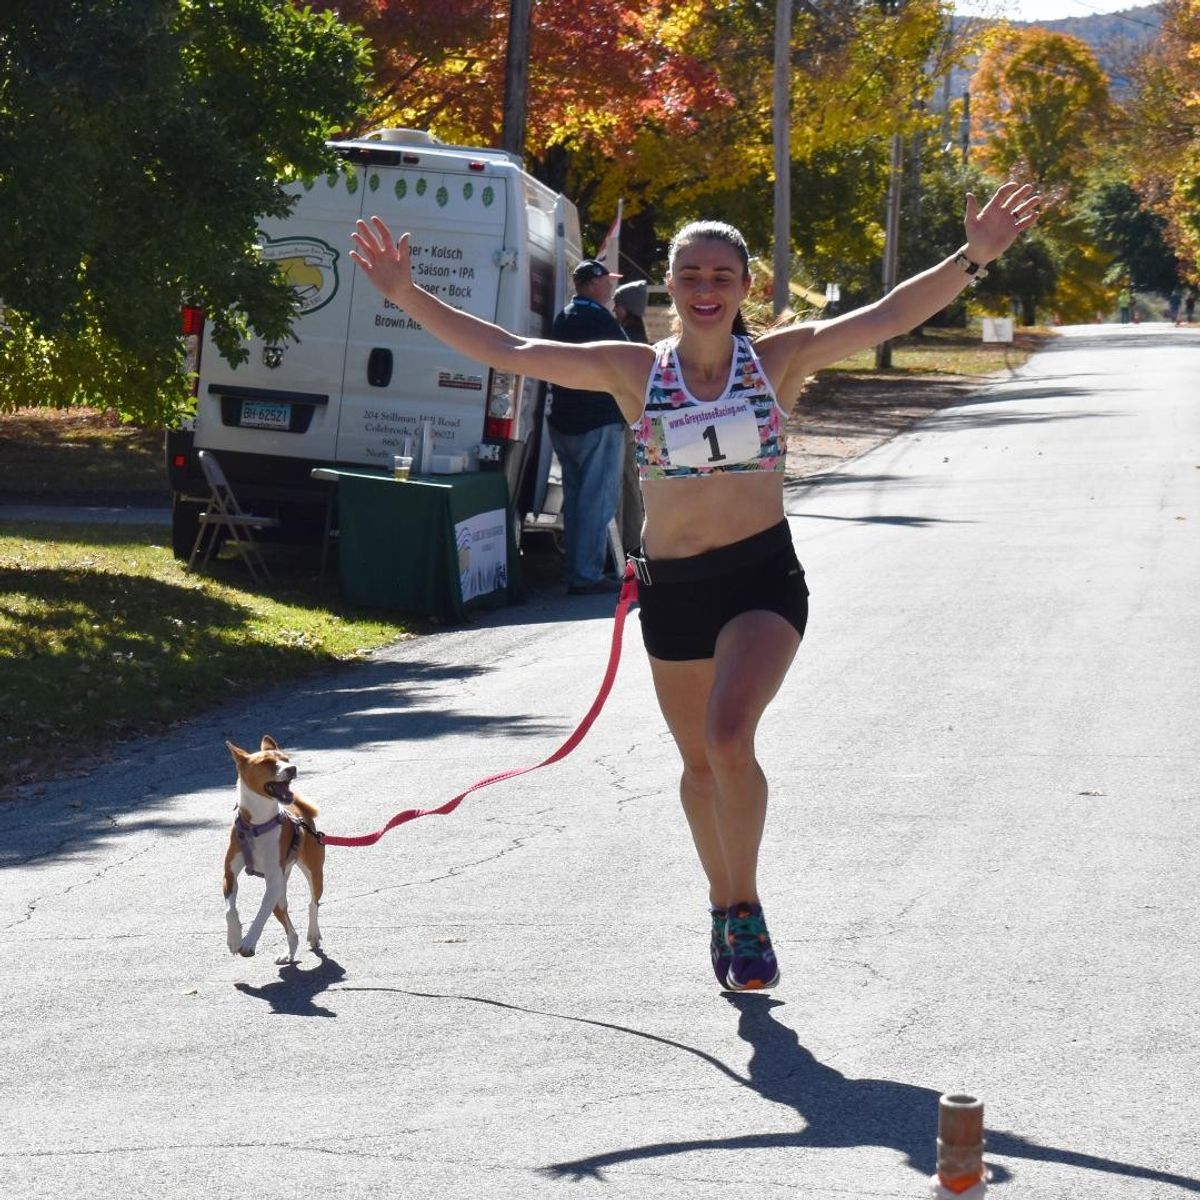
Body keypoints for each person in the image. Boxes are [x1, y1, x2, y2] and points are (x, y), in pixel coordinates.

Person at [350, 180, 1040, 992]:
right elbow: (512, 351)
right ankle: (723, 903)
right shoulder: (632, 369)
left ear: (747, 287)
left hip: (760, 581)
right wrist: (405, 295)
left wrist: (975, 259)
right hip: (674, 592)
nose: (707, 289)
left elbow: (888, 315)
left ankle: (745, 907)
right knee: (699, 766)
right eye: (691, 274)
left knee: (727, 738)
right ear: (668, 287)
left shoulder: (778, 360)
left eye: (723, 275)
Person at [543, 259, 629, 595]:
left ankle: (578, 570)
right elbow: (629, 358)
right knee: (597, 501)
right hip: (597, 420)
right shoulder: (598, 317)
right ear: (594, 283)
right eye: (607, 281)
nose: (611, 287)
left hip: (565, 420)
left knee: (578, 500)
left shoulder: (565, 316)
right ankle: (586, 574)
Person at [612, 280, 649, 555]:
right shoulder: (642, 341)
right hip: (637, 420)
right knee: (632, 482)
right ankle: (634, 543)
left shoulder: (622, 340)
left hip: (623, 421)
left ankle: (623, 548)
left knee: (622, 482)